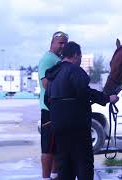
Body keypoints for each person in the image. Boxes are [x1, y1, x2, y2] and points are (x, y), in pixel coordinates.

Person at [45, 41, 119, 180]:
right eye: (80, 57)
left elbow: (46, 100)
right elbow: (86, 92)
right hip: (77, 127)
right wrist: (107, 99)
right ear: (75, 55)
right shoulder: (75, 70)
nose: (80, 60)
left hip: (58, 127)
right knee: (83, 164)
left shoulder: (53, 73)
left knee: (65, 165)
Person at [38, 31, 68, 180]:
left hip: (58, 110)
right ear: (52, 42)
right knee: (48, 148)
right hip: (48, 110)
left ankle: (55, 176)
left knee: (56, 147)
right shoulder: (47, 59)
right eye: (60, 43)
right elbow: (46, 84)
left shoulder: (58, 59)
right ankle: (45, 178)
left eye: (65, 43)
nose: (63, 45)